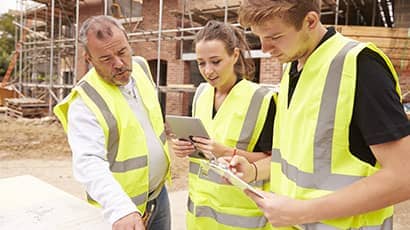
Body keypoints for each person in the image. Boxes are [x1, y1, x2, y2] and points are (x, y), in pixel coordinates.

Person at [227, 0, 410, 229]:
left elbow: (404, 176)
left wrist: (303, 213)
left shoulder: (360, 65)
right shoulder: (293, 69)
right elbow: (302, 161)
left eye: (274, 37)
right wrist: (254, 170)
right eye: (259, 36)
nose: (264, 48)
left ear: (310, 21)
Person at [53, 15, 171, 230]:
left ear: (128, 43)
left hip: (158, 196)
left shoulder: (142, 67)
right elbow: (89, 161)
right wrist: (120, 208)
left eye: (122, 52)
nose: (119, 64)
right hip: (122, 212)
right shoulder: (84, 100)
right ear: (88, 58)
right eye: (106, 59)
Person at [169, 20, 276, 230]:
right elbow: (201, 155)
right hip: (199, 217)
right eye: (201, 63)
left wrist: (226, 151)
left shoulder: (262, 99)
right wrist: (184, 148)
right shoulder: (200, 94)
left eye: (215, 61)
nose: (208, 71)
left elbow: (276, 162)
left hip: (243, 220)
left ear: (235, 55)